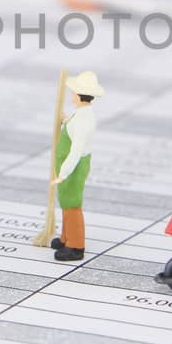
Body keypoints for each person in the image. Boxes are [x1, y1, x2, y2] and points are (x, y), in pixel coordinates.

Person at [49, 71, 103, 262]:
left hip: (73, 167)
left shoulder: (83, 120)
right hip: (68, 166)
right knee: (65, 203)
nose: (71, 95)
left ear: (79, 96)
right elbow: (71, 127)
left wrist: (63, 174)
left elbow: (76, 151)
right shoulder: (80, 114)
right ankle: (66, 238)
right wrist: (64, 119)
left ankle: (76, 246)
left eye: (73, 92)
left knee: (72, 206)